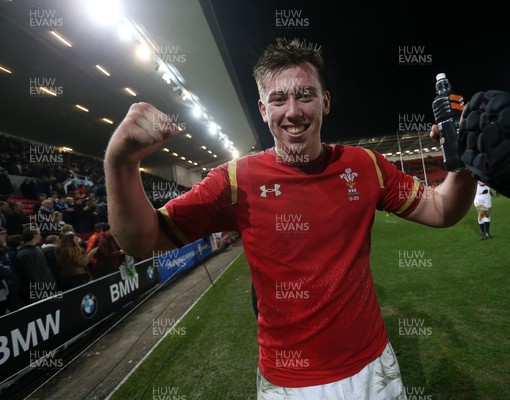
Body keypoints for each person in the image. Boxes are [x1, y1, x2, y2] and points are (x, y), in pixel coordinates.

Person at [103, 37, 477, 399]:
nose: (293, 111)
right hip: (290, 385)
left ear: (325, 101)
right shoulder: (235, 180)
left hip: (373, 369)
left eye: (305, 95)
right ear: (263, 110)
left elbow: (442, 210)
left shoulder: (364, 166)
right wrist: (122, 163)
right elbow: (141, 240)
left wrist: (466, 163)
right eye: (278, 99)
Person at [14, 227, 57, 304]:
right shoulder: (24, 254)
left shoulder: (37, 249)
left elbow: (45, 270)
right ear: (34, 235)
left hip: (46, 289)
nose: (40, 237)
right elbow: (32, 276)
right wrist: (43, 293)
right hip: (37, 294)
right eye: (39, 234)